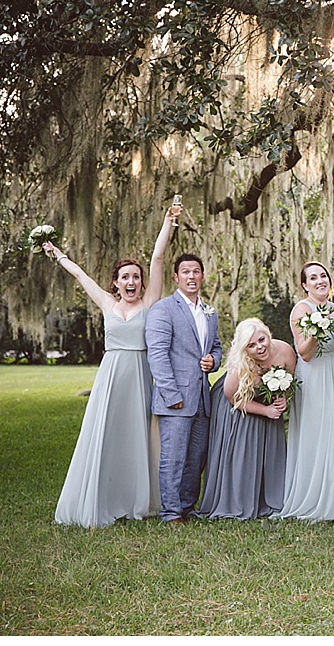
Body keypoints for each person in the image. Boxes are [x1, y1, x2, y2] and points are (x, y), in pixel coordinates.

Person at [47, 201, 181, 526]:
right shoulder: (107, 303)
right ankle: (101, 497)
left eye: (136, 276)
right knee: (106, 434)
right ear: (116, 283)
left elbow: (159, 258)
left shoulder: (150, 302)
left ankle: (137, 500)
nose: (132, 281)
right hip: (111, 375)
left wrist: (169, 224)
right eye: (125, 277)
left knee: (138, 436)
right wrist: (58, 255)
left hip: (139, 373)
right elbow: (80, 275)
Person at [145, 251, 223, 523]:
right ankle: (171, 512)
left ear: (202, 276)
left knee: (196, 457)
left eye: (196, 271)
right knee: (174, 457)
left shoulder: (209, 312)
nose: (192, 276)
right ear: (176, 277)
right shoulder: (163, 309)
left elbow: (216, 346)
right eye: (186, 272)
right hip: (175, 397)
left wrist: (214, 361)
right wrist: (171, 394)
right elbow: (157, 354)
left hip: (202, 396)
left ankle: (188, 506)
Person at [199, 319, 296, 519]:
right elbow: (232, 397)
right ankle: (237, 500)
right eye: (251, 345)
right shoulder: (239, 365)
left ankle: (269, 498)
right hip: (237, 407)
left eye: (262, 340)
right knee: (243, 452)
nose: (259, 347)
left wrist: (283, 400)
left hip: (267, 404)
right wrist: (264, 410)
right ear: (245, 349)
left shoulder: (285, 351)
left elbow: (291, 380)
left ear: (268, 335)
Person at [280, 261, 334, 521]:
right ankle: (313, 499)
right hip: (315, 376)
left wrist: (326, 320)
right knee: (318, 432)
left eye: (323, 276)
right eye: (313, 278)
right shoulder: (301, 309)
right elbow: (304, 353)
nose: (320, 281)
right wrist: (316, 330)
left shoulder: (333, 308)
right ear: (304, 285)